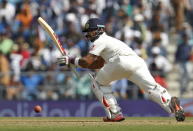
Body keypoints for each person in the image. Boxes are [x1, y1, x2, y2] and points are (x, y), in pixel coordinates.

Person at [57, 18, 185, 122]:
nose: (88, 34)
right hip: (137, 62)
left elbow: (88, 61)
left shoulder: (100, 40)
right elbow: (96, 64)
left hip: (120, 62)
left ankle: (114, 112)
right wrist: (73, 61)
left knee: (97, 83)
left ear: (99, 30)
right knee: (152, 88)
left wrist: (72, 60)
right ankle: (172, 106)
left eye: (90, 31)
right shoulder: (111, 41)